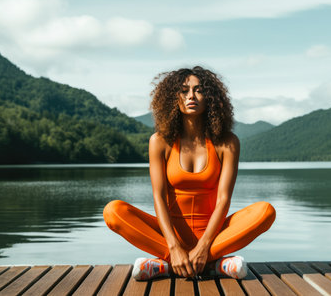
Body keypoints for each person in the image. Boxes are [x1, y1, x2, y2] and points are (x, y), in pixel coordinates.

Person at [103, 66, 276, 280]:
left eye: (198, 90)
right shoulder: (159, 142)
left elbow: (224, 199)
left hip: (215, 237)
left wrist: (203, 246)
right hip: (169, 238)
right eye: (184, 91)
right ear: (173, 99)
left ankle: (173, 265)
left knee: (266, 211)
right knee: (113, 211)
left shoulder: (226, 142)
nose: (191, 96)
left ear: (210, 98)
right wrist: (173, 247)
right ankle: (208, 265)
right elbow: (159, 197)